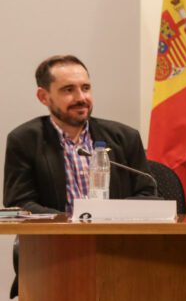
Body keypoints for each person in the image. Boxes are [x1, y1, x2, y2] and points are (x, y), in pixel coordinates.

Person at [4, 55, 157, 214]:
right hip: (56, 230)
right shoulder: (24, 140)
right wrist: (71, 223)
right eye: (68, 90)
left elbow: (148, 194)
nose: (81, 98)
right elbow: (20, 203)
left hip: (113, 229)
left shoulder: (125, 137)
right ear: (44, 97)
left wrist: (109, 217)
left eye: (85, 88)